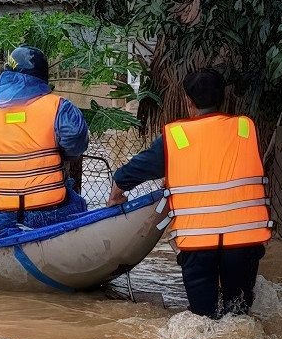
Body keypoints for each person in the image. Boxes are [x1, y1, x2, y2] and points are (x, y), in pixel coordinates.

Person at [107, 69, 272, 318]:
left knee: (201, 318)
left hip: (197, 244)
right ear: (224, 98)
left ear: (188, 101)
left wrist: (117, 193)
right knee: (238, 316)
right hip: (244, 242)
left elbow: (134, 171)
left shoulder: (177, 137)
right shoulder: (245, 130)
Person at [0, 46, 91, 237]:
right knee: (78, 205)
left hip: (1, 213)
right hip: (51, 211)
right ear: (42, 76)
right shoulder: (59, 107)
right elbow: (76, 142)